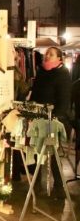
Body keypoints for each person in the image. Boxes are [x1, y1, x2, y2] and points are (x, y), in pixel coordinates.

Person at [29, 46, 71, 197]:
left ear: (59, 58)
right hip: (39, 117)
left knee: (52, 154)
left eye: (51, 54)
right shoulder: (41, 72)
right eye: (46, 53)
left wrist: (56, 118)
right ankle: (35, 185)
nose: (47, 56)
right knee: (35, 150)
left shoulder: (63, 73)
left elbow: (65, 99)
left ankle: (59, 187)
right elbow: (35, 93)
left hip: (55, 120)